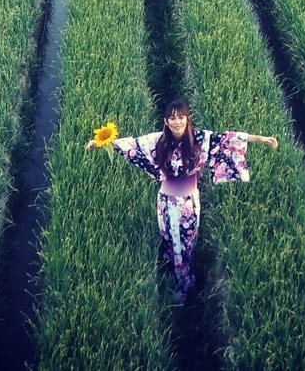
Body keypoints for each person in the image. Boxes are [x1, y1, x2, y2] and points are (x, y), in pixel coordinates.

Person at [85, 99, 278, 302]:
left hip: (188, 203)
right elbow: (129, 144)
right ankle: (176, 276)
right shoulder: (157, 141)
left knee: (185, 240)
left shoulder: (200, 139)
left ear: (187, 119)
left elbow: (228, 138)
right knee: (170, 237)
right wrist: (100, 143)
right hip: (166, 201)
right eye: (172, 118)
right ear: (166, 122)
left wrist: (262, 139)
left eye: (180, 117)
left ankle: (183, 282)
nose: (177, 122)